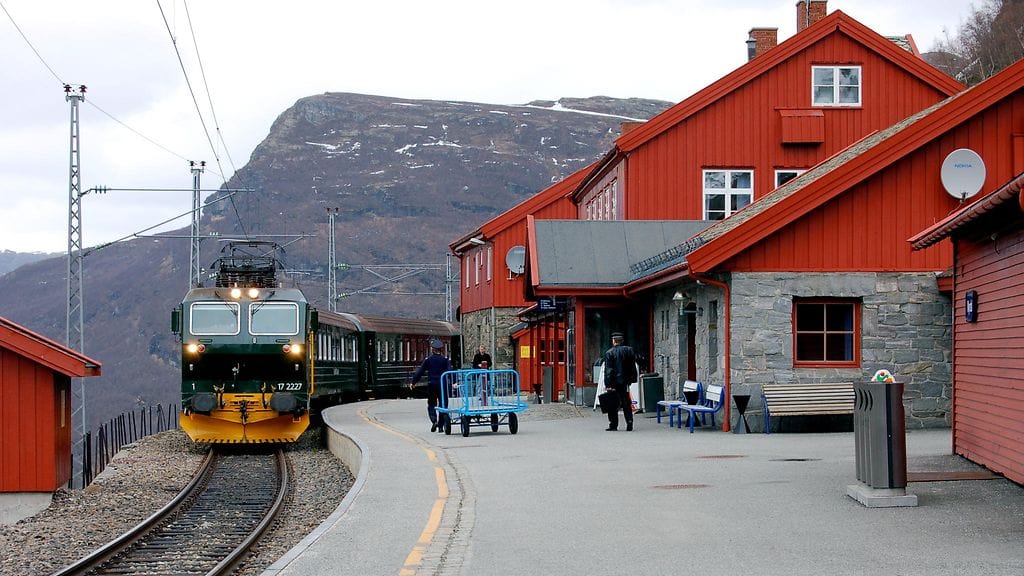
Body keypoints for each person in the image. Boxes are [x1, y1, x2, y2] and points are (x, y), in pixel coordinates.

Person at [410, 339, 452, 433]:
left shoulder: (428, 360)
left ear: (432, 349)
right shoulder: (445, 359)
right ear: (441, 349)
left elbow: (420, 372)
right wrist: (453, 382)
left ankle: (434, 421)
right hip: (442, 385)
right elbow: (450, 372)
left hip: (432, 384)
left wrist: (413, 382)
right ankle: (441, 425)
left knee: (431, 404)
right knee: (443, 404)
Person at [602, 332, 637, 431]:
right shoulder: (629, 350)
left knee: (612, 404)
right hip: (625, 381)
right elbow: (632, 366)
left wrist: (608, 383)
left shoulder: (609, 353)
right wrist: (632, 379)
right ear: (622, 341)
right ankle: (629, 422)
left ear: (614, 341)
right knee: (626, 402)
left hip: (614, 382)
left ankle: (613, 425)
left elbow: (609, 370)